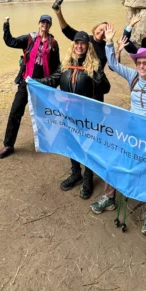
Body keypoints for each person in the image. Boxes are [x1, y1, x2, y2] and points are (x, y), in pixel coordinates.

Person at [90, 21, 146, 237]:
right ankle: (109, 197)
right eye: (140, 62)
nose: (142, 66)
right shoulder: (133, 76)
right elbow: (114, 65)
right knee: (115, 159)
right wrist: (108, 43)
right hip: (131, 131)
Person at [37, 31, 109, 199]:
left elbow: (106, 88)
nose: (79, 46)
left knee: (86, 146)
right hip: (68, 113)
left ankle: (88, 178)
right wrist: (33, 81)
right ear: (73, 45)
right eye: (76, 43)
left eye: (83, 43)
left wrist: (97, 74)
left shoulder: (94, 65)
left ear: (87, 46)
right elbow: (53, 80)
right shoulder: (66, 64)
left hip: (87, 116)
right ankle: (76, 173)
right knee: (71, 144)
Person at [0, 14, 60, 159]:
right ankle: (8, 144)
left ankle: (48, 141)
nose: (45, 25)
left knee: (45, 113)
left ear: (50, 26)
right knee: (16, 111)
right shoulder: (30, 39)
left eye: (47, 23)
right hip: (27, 82)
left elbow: (57, 67)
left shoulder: (54, 44)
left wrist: (54, 83)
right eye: (43, 22)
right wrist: (6, 25)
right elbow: (10, 41)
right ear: (38, 24)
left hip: (42, 85)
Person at [52, 5, 110, 97]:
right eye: (101, 29)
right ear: (95, 29)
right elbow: (67, 30)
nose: (80, 46)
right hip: (78, 84)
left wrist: (115, 49)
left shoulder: (108, 47)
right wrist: (59, 14)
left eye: (105, 31)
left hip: (95, 86)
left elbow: (112, 67)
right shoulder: (84, 38)